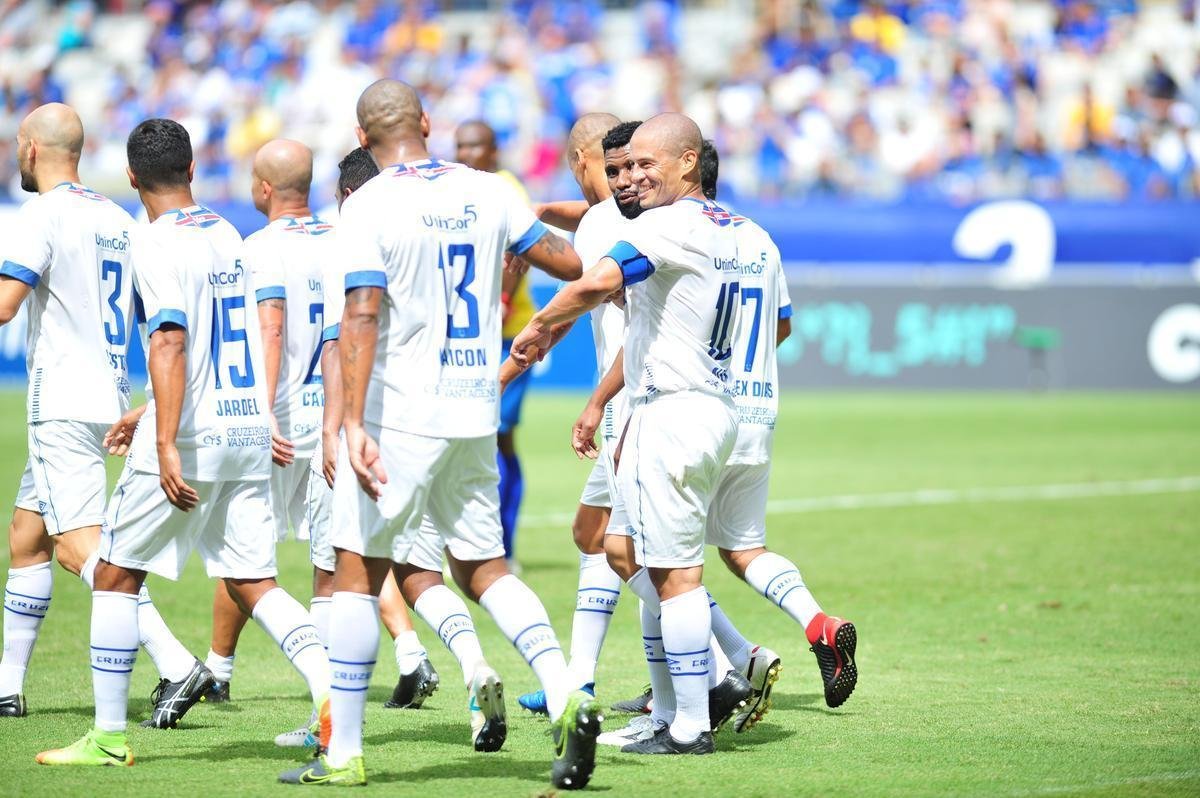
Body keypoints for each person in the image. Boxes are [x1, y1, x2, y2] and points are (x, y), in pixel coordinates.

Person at [279, 80, 599, 790]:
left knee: (358, 573)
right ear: (427, 122)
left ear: (364, 138)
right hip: (472, 406)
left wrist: (353, 421)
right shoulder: (487, 190)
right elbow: (570, 264)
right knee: (484, 567)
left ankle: (343, 754)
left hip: (401, 412)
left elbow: (361, 313)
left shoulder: (366, 204)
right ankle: (565, 687)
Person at [36, 118, 332, 767]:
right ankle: (331, 697)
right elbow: (221, 339)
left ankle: (108, 739)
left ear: (133, 177)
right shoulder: (227, 232)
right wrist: (151, 412)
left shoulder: (151, 241)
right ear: (193, 170)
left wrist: (163, 438)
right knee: (254, 577)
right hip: (246, 425)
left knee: (114, 574)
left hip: (193, 438)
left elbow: (169, 338)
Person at [511, 113, 740, 755]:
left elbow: (596, 282)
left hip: (668, 408)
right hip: (716, 405)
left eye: (644, 165)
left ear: (687, 162)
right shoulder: (746, 232)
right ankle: (674, 703)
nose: (632, 178)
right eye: (624, 166)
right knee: (620, 545)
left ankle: (702, 709)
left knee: (671, 571)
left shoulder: (660, 226)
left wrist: (537, 328)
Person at [0, 103, 204, 726]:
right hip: (110, 395)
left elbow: (6, 305)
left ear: (32, 150)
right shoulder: (118, 217)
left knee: (74, 544)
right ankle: (7, 686)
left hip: (59, 397)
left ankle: (174, 661)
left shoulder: (40, 215)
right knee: (28, 536)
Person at [287, 147, 445, 750]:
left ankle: (330, 728)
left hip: (370, 429)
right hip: (432, 424)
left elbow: (341, 343)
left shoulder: (354, 237)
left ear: (348, 196)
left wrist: (335, 426)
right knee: (432, 568)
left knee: (337, 572)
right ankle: (450, 662)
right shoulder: (424, 239)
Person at [455, 120, 534, 566]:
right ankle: (469, 542)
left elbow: (519, 248)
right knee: (472, 437)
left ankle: (503, 546)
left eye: (475, 146)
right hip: (470, 337)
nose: (466, 153)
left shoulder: (505, 189)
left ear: (494, 150)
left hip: (509, 336)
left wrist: (501, 298)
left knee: (498, 435)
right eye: (461, 145)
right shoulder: (457, 188)